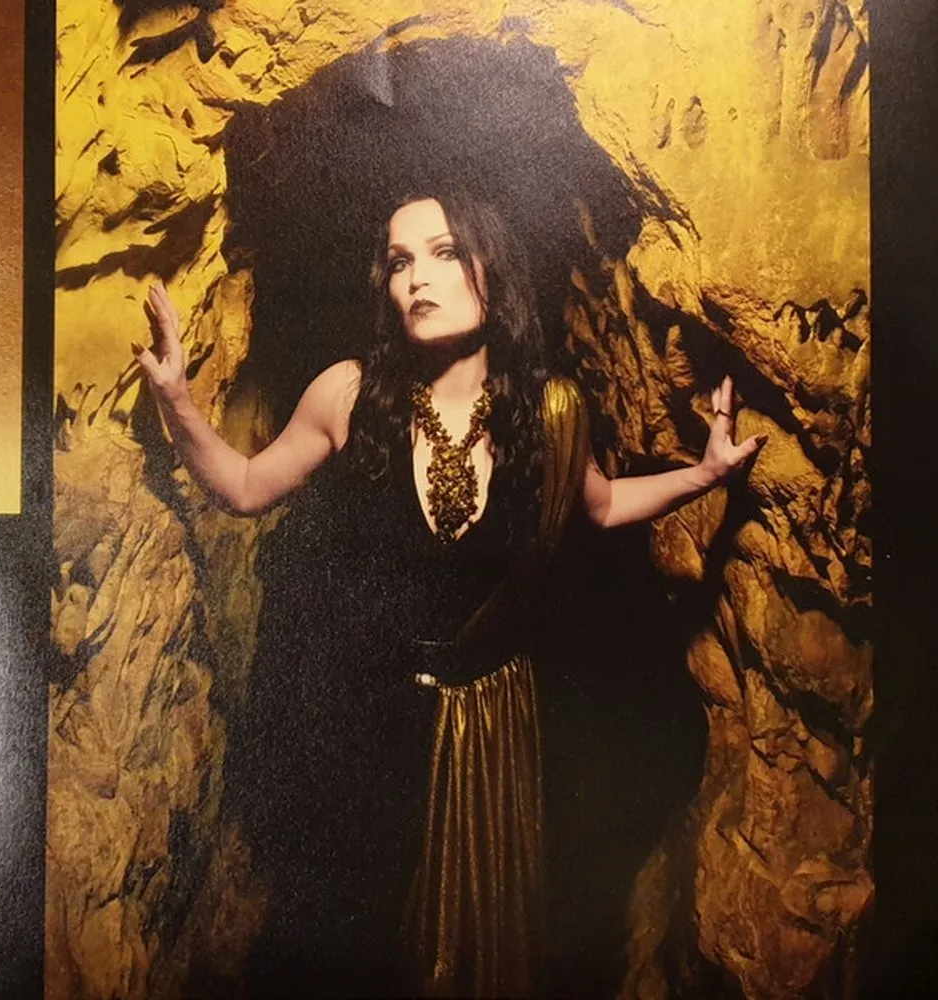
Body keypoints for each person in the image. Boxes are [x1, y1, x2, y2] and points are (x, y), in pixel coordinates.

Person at [134, 191, 766, 997]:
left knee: (480, 945)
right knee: (368, 940)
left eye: (442, 253)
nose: (416, 279)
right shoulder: (348, 394)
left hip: (495, 722)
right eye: (400, 262)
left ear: (491, 273)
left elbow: (603, 504)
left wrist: (705, 475)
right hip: (372, 721)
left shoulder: (551, 410)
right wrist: (177, 402)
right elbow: (248, 486)